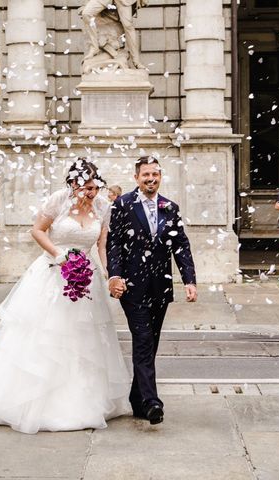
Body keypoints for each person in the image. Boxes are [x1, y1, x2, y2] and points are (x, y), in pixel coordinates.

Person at [0, 159, 131, 434]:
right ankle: (36, 399)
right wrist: (59, 255)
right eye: (85, 188)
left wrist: (109, 275)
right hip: (53, 273)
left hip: (86, 279)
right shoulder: (58, 201)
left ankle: (84, 399)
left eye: (94, 187)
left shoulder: (102, 206)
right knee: (48, 336)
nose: (90, 193)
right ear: (73, 184)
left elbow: (102, 245)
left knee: (85, 340)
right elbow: (37, 230)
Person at [107, 156, 196, 425]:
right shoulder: (122, 205)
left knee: (151, 342)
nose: (151, 179)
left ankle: (137, 399)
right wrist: (115, 275)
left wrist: (189, 280)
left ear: (160, 176)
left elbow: (181, 245)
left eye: (155, 174)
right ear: (136, 178)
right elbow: (114, 243)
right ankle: (152, 402)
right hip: (132, 287)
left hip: (160, 285)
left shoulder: (170, 207)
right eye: (146, 174)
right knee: (143, 338)